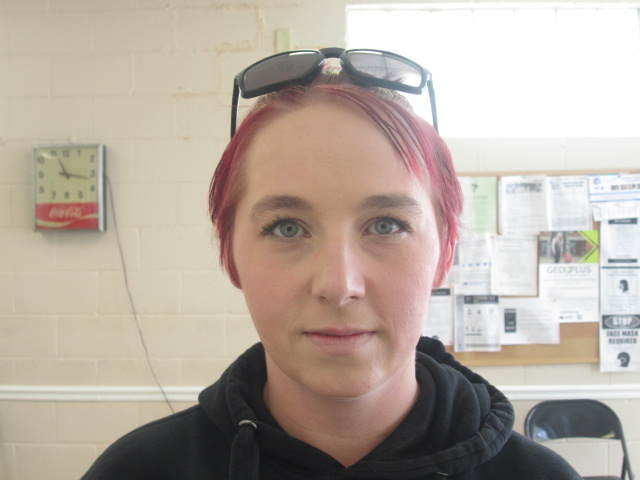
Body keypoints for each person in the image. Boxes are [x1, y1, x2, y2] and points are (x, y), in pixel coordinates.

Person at [81, 48, 581, 479]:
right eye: (286, 227)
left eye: (386, 225)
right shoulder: (135, 470)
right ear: (229, 254)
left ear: (445, 251)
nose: (339, 285)